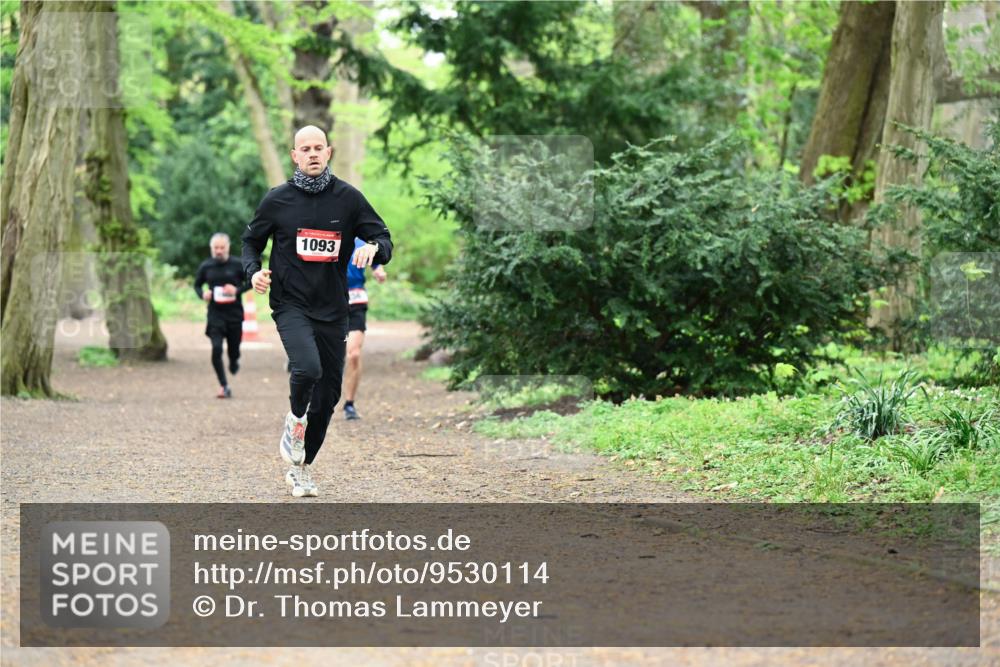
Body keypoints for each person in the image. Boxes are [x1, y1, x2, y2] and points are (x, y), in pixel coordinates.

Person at [242, 125, 392, 498]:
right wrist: (254, 272)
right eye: (304, 148)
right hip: (290, 303)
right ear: (294, 155)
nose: (311, 153)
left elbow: (384, 238)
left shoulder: (349, 199)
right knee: (307, 367)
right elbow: (251, 242)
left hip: (333, 307)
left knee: (328, 397)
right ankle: (295, 420)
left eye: (318, 148)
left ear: (328, 153)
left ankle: (301, 469)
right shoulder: (277, 200)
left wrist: (373, 249)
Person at [193, 233, 249, 398]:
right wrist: (202, 294)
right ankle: (224, 385)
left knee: (234, 349)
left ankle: (234, 360)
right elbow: (197, 285)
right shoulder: (206, 266)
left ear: (228, 247)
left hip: (234, 314)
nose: (218, 251)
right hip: (215, 314)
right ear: (212, 248)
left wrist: (237, 290)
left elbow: (251, 281)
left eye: (221, 247)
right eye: (215, 248)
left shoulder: (238, 264)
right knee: (216, 348)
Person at [342, 237, 387, 420]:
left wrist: (379, 270)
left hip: (356, 300)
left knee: (353, 354)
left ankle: (349, 403)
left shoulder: (361, 242)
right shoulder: (326, 234)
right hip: (328, 302)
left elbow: (376, 260)